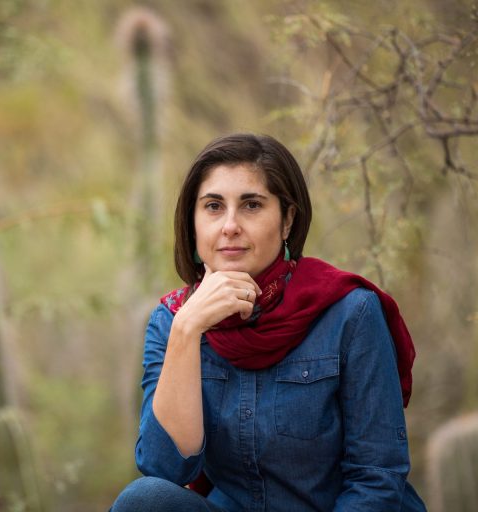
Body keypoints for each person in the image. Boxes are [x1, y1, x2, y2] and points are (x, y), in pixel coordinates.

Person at [110, 134, 427, 511]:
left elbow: (377, 477)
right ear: (193, 225)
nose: (230, 226)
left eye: (251, 205)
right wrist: (187, 331)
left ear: (287, 219)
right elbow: (165, 469)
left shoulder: (349, 313)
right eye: (213, 206)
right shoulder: (172, 322)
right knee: (143, 502)